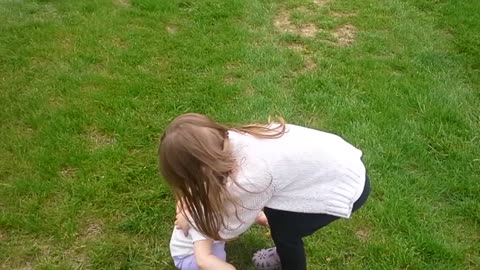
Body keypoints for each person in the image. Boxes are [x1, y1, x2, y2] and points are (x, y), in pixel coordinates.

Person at [159, 113, 371, 270]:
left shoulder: (250, 178)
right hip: (336, 160)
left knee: (286, 231)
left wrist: (191, 218)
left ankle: (288, 260)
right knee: (276, 212)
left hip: (341, 185)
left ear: (201, 168)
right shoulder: (232, 140)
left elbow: (227, 229)